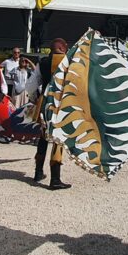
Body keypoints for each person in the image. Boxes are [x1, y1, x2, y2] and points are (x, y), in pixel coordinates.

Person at [25, 38, 71, 190]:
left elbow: (31, 85)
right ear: (63, 48)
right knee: (59, 139)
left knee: (43, 137)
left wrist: (34, 99)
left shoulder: (43, 62)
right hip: (62, 104)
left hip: (45, 104)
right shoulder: (70, 62)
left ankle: (38, 173)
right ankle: (55, 179)